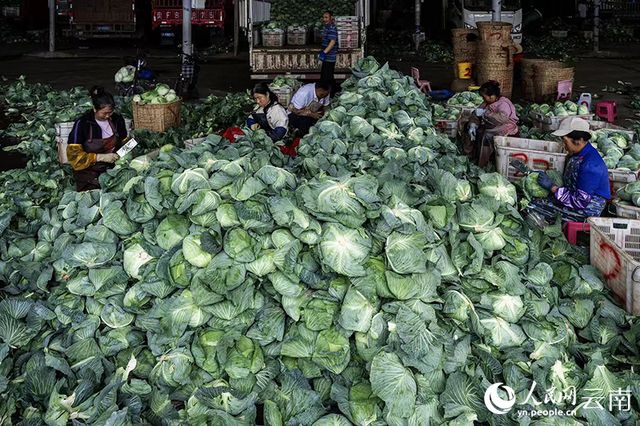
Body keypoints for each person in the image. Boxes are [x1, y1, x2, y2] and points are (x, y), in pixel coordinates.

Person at [526, 117, 610, 225]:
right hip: (573, 196)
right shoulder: (579, 154)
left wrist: (552, 187)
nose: (564, 146)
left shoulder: (590, 165)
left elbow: (580, 201)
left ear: (578, 140)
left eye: (565, 142)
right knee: (534, 199)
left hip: (587, 209)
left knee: (532, 207)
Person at [67, 86, 128, 191]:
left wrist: (125, 154)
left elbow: (124, 142)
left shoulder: (117, 120)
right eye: (104, 113)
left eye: (111, 112)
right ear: (95, 109)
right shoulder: (82, 123)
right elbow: (74, 157)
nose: (108, 116)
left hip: (113, 169)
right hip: (88, 173)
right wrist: (100, 157)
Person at [464, 80, 519, 167]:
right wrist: (473, 124)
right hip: (492, 126)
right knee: (468, 127)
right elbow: (476, 113)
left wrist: (485, 113)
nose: (483, 99)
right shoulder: (486, 103)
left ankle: (485, 164)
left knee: (488, 136)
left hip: (505, 128)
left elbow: (502, 118)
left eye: (484, 97)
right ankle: (470, 157)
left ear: (492, 96)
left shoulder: (503, 103)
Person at [319, 11, 338, 91]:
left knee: (327, 77)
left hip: (330, 57)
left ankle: (333, 92)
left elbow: (332, 42)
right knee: (325, 76)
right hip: (326, 57)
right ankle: (333, 91)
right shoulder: (326, 27)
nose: (324, 19)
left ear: (331, 18)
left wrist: (324, 52)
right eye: (323, 17)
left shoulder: (332, 28)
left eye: (326, 17)